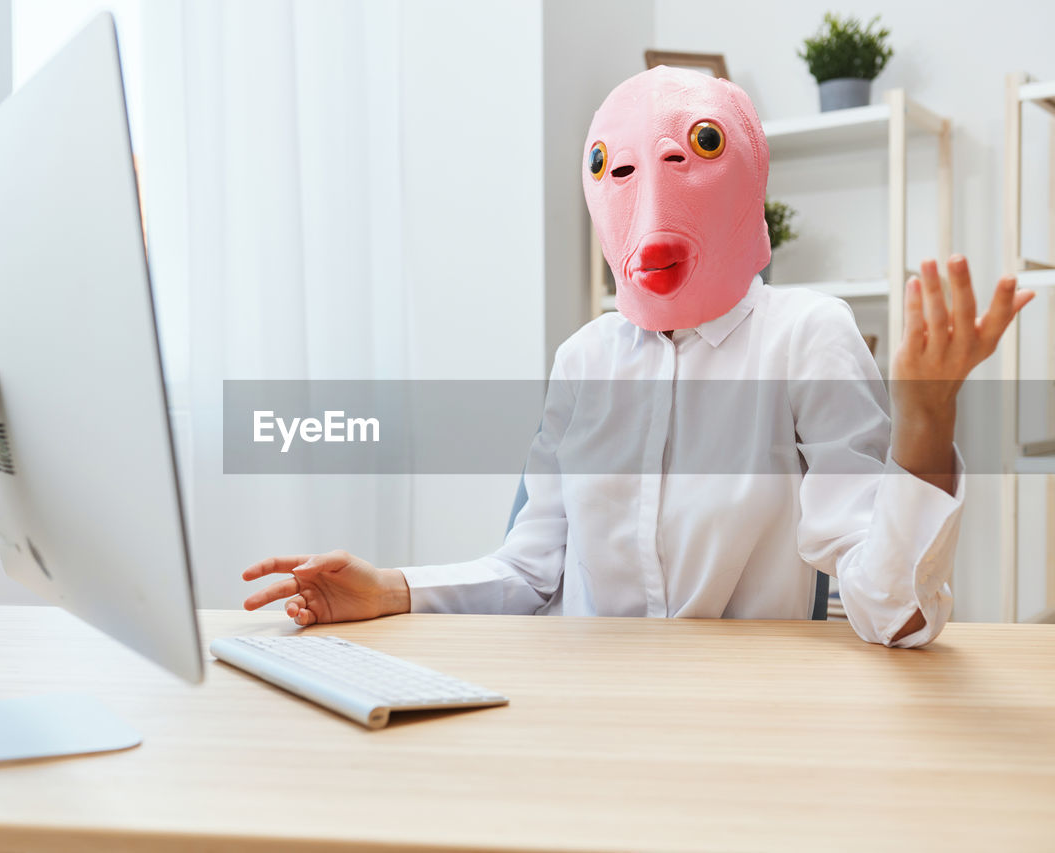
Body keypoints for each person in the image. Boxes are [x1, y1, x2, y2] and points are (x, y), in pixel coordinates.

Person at [240, 67, 1032, 648]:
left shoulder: (805, 334)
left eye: (696, 150)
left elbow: (891, 612)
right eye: (615, 169)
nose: (646, 195)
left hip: (748, 727)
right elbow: (532, 574)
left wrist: (924, 428)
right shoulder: (583, 358)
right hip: (584, 715)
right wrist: (392, 588)